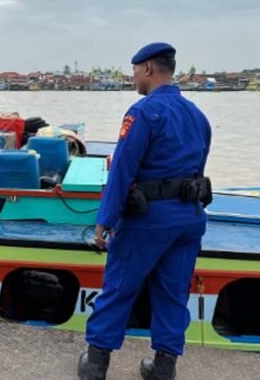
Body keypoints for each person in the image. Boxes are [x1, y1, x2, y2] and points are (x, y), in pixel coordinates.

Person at [78, 43, 212, 380]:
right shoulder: (198, 116)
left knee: (119, 288)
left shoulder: (143, 112)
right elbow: (198, 168)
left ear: (149, 69)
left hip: (149, 220)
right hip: (189, 218)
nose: (133, 77)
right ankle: (163, 369)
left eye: (135, 70)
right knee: (173, 293)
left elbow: (122, 169)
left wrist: (105, 220)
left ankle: (95, 365)